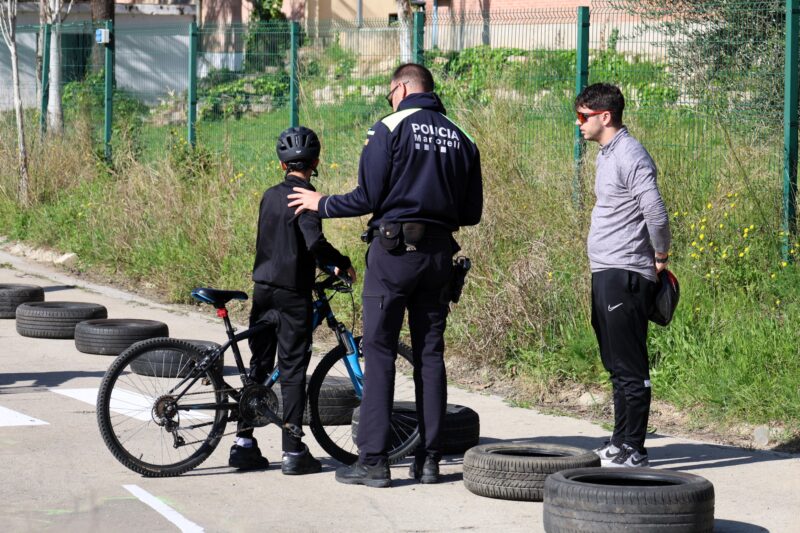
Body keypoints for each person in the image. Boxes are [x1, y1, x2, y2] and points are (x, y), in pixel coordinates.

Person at [288, 63, 483, 487]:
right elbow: (472, 213)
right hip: (439, 256)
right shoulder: (463, 136)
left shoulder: (389, 127)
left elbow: (367, 197)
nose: (389, 101)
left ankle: (374, 462)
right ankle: (429, 461)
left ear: (401, 89)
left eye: (389, 94)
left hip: (393, 254)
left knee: (378, 352)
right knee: (430, 356)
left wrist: (322, 204)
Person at [229, 126, 356, 474]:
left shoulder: (270, 195)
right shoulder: (307, 197)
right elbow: (313, 242)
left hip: (263, 290)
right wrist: (339, 264)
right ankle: (293, 451)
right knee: (293, 368)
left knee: (259, 364)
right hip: (291, 294)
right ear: (315, 162)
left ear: (282, 164)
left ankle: (243, 444)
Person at [575, 83, 671, 468]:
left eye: (583, 116)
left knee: (630, 366)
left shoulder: (631, 154)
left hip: (627, 271)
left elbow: (655, 211)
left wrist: (660, 255)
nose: (578, 123)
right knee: (614, 363)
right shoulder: (607, 154)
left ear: (605, 116)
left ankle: (635, 448)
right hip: (605, 269)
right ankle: (619, 442)